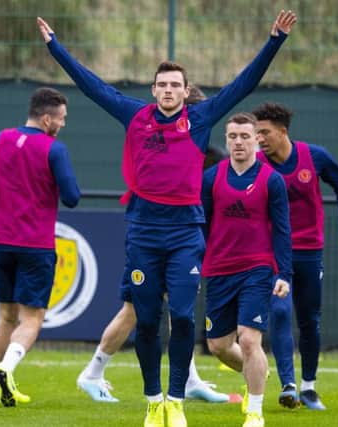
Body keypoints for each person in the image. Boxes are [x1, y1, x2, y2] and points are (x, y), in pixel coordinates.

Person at [38, 9, 297, 427]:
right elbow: (91, 85)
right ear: (154, 90)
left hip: (184, 235)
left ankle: (175, 402)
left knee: (180, 316)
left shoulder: (199, 118)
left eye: (176, 85)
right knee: (145, 320)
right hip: (142, 233)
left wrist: (275, 40)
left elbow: (244, 83)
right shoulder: (134, 116)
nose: (169, 91)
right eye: (162, 85)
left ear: (184, 90)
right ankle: (153, 400)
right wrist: (55, 48)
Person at [76, 84, 230, 404]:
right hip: (148, 236)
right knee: (134, 312)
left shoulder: (205, 153)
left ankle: (188, 380)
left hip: (181, 238)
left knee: (179, 310)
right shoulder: (152, 137)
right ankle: (92, 373)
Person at [252, 102, 338, 410]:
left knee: (309, 320)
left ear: (283, 132)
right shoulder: (257, 164)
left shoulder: (315, 157)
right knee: (281, 311)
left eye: (264, 133)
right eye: (256, 133)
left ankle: (309, 387)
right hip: (273, 254)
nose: (259, 139)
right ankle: (288, 385)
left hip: (309, 252)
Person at [0, 87, 81, 407]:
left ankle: (2, 387)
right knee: (32, 319)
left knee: (5, 316)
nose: (63, 125)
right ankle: (7, 369)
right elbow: (71, 197)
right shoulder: (54, 149)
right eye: (62, 119)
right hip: (35, 243)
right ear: (47, 118)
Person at [201, 113, 292, 427]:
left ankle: (255, 411)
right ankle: (258, 372)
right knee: (219, 346)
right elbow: (202, 226)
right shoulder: (211, 178)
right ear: (227, 140)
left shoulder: (272, 180)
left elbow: (282, 230)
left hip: (257, 269)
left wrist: (285, 274)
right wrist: (195, 263)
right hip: (218, 270)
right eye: (233, 136)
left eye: (245, 136)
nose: (238, 142)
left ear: (257, 140)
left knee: (250, 340)